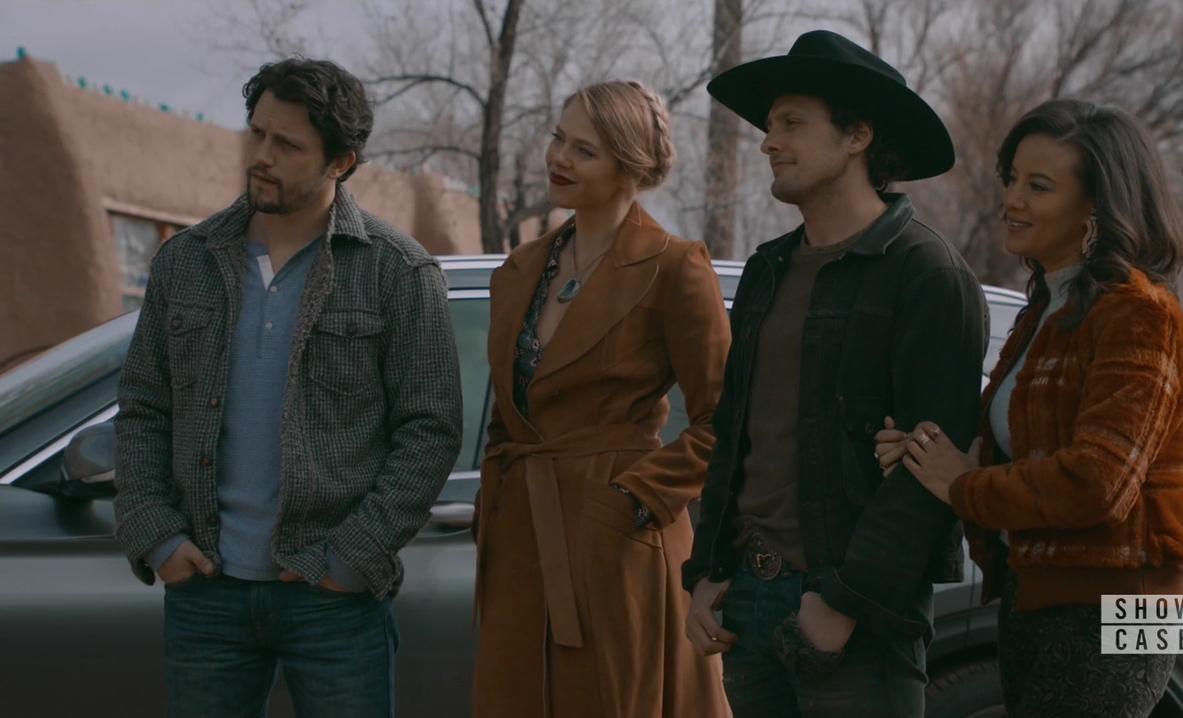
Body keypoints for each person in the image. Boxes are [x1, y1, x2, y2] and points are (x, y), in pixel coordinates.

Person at [113, 57, 464, 718]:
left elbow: (431, 429)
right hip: (206, 589)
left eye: (288, 144)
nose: (261, 156)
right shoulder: (186, 261)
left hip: (332, 597)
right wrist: (155, 534)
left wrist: (353, 557)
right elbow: (142, 411)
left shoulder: (396, 272)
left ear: (341, 163)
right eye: (257, 133)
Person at [682, 30, 989, 718]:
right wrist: (707, 572)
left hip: (853, 613)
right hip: (747, 598)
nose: (769, 142)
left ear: (857, 136)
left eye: (791, 123)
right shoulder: (767, 269)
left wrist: (845, 603)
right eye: (769, 126)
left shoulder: (925, 273)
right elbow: (734, 434)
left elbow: (931, 467)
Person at [876, 99, 1183, 717]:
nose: (1012, 200)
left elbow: (1099, 483)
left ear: (1098, 207)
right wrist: (928, 455)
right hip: (1036, 591)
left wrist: (964, 483)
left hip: (1129, 605)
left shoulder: (1141, 310)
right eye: (1012, 180)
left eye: (1039, 186)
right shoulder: (1046, 308)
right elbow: (1024, 451)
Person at [470, 79, 733, 717]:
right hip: (519, 539)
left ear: (629, 167)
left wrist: (636, 500)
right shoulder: (519, 269)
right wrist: (491, 508)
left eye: (584, 151)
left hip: (617, 541)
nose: (559, 158)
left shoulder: (675, 267)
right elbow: (508, 412)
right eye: (559, 138)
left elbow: (726, 419)